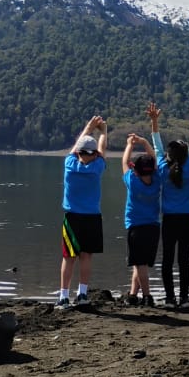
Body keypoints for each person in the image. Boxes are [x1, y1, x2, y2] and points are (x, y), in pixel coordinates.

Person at [147, 102, 189, 308]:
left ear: (168, 154)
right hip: (186, 219)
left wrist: (154, 120)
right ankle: (185, 298)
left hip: (168, 219)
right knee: (184, 259)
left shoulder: (161, 167)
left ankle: (169, 298)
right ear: (185, 154)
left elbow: (157, 144)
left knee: (167, 259)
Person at [58, 116, 107, 307]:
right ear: (94, 154)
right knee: (86, 256)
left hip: (72, 218)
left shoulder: (69, 165)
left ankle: (63, 296)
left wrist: (88, 127)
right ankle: (83, 294)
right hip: (92, 218)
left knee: (69, 257)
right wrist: (103, 131)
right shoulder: (97, 167)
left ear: (78, 152)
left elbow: (76, 149)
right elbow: (102, 150)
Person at [121, 133, 162, 307]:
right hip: (153, 227)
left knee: (140, 264)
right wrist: (145, 142)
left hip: (136, 227)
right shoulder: (157, 180)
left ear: (135, 170)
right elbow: (155, 159)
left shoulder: (133, 180)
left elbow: (124, 161)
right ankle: (132, 295)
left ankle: (147, 296)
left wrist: (130, 144)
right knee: (140, 263)